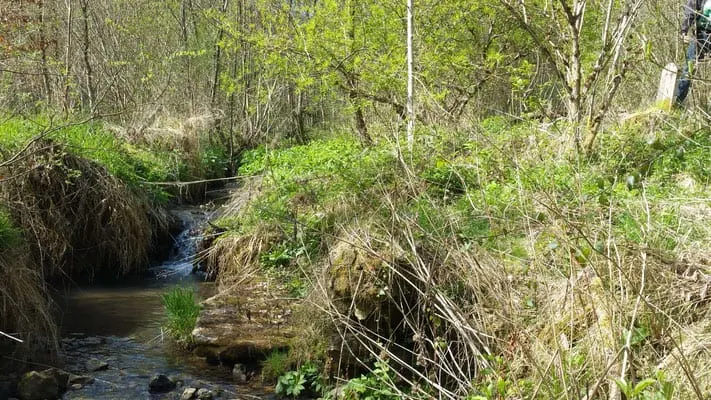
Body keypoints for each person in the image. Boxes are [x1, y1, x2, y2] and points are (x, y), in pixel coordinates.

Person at [675, 0, 711, 106]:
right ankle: (678, 103)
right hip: (701, 36)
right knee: (688, 70)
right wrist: (684, 31)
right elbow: (690, 11)